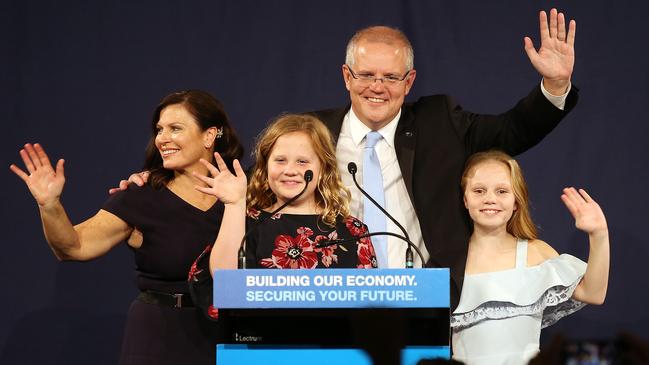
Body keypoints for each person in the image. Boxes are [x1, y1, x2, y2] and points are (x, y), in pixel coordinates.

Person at [113, 8, 578, 310]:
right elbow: (241, 188)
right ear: (345, 75)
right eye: (366, 74)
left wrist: (554, 87)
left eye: (391, 77)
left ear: (410, 80)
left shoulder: (442, 120)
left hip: (428, 300)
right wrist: (161, 178)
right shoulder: (310, 133)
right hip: (327, 305)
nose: (378, 86)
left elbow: (513, 130)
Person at [10, 90, 244, 365]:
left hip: (227, 334)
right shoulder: (141, 196)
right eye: (159, 130)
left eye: (175, 128)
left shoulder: (244, 194)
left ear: (209, 135)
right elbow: (74, 246)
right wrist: (50, 205)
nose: (162, 139)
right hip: (159, 338)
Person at [450, 150, 609, 365]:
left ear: (516, 201)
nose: (490, 199)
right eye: (479, 190)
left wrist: (598, 234)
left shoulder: (535, 252)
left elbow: (593, 293)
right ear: (465, 200)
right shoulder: (447, 259)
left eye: (502, 191)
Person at [192, 113, 377, 276]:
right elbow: (226, 282)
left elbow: (370, 303)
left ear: (323, 169)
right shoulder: (248, 225)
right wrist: (234, 205)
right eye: (280, 160)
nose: (290, 170)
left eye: (302, 161)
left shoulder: (352, 231)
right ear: (265, 167)